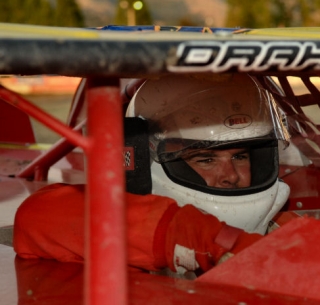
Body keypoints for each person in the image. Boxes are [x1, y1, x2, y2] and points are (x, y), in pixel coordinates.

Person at [13, 73, 291, 274]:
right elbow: (34, 216)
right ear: (149, 160)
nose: (230, 175)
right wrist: (193, 236)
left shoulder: (281, 224)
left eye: (240, 156)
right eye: (206, 159)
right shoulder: (129, 215)